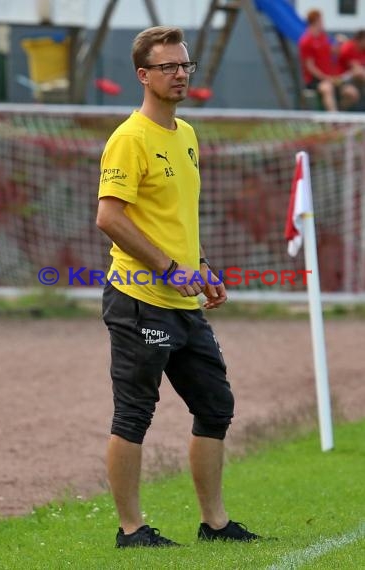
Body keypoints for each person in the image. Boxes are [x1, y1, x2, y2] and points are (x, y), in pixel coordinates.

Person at [96, 26, 261, 548]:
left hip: (184, 300)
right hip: (139, 301)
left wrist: (202, 266)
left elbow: (178, 218)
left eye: (185, 65)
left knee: (215, 406)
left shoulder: (186, 134)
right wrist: (169, 267)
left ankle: (214, 524)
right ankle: (131, 530)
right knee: (135, 414)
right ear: (143, 75)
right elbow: (109, 217)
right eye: (168, 67)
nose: (180, 74)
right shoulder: (129, 138)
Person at [298, 9, 359, 111]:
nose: (323, 23)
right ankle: (333, 121)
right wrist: (325, 77)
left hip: (330, 78)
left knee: (352, 93)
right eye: (321, 20)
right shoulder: (306, 41)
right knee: (327, 89)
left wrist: (341, 44)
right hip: (315, 80)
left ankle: (338, 113)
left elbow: (334, 53)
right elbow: (310, 66)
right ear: (316, 21)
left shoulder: (323, 37)